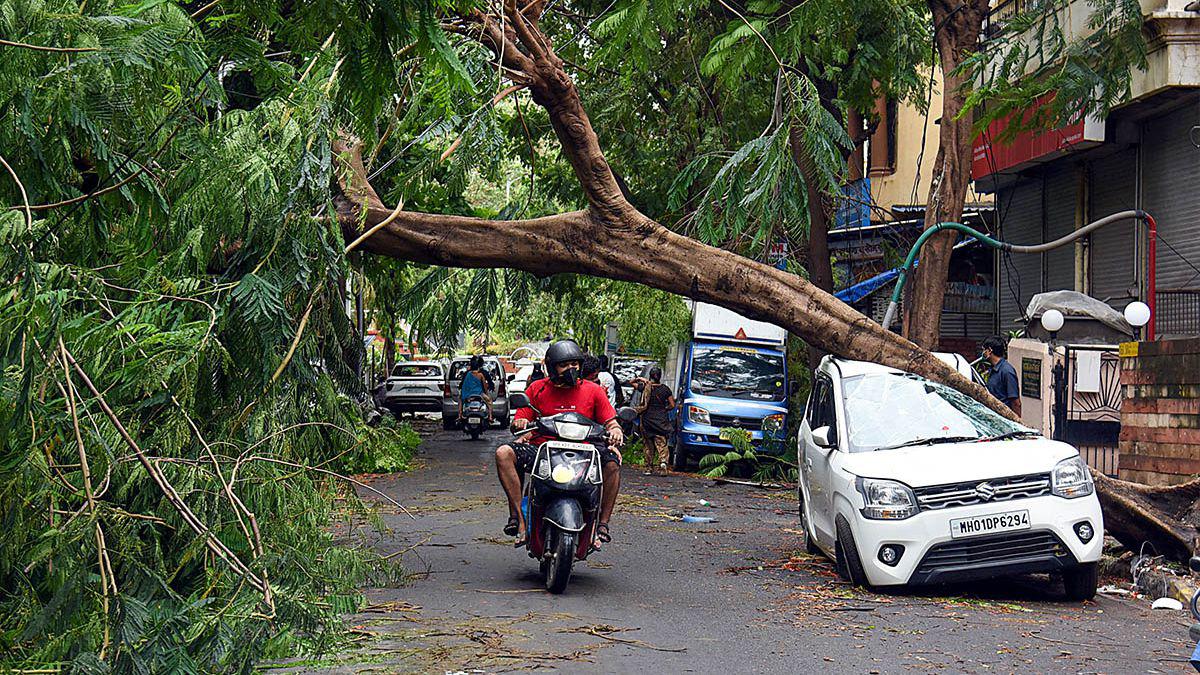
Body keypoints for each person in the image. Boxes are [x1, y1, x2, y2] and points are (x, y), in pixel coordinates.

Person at [494, 340, 625, 549]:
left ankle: (601, 525)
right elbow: (521, 420)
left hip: (586, 452)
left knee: (612, 463)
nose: (571, 369)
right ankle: (519, 519)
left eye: (575, 363)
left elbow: (611, 422)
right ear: (552, 368)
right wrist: (520, 424)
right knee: (503, 453)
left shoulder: (594, 391)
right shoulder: (537, 389)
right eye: (564, 365)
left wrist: (616, 431)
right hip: (543, 451)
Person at [634, 367, 675, 473]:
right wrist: (664, 409)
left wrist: (641, 379)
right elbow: (672, 405)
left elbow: (631, 382)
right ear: (660, 376)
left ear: (650, 375)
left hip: (647, 420)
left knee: (648, 444)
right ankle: (663, 463)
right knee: (661, 443)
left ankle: (648, 467)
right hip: (661, 421)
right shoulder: (665, 389)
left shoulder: (644, 387)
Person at [981, 335, 1021, 415]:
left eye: (984, 350)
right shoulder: (993, 369)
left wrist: (1018, 423)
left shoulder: (1007, 371)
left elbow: (1015, 402)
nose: (983, 353)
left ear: (989, 350)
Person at [459, 355, 494, 424]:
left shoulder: (467, 374)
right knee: (489, 401)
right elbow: (485, 387)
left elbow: (463, 385)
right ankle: (490, 417)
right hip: (479, 394)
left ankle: (459, 415)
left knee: (460, 400)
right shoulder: (481, 375)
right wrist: (487, 394)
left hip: (467, 394)